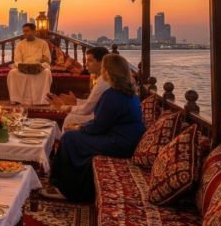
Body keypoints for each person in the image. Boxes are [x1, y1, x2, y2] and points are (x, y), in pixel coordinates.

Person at [43, 54, 145, 202]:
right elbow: (103, 122)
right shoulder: (129, 92)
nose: (102, 71)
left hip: (120, 142)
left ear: (108, 71)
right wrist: (82, 127)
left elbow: (99, 125)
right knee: (72, 135)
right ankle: (61, 181)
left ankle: (67, 189)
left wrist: (79, 128)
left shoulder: (113, 95)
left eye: (103, 68)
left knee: (70, 137)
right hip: (127, 138)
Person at [47, 46, 110, 127]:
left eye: (90, 61)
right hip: (99, 115)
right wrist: (76, 102)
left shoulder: (104, 82)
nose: (86, 64)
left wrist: (63, 107)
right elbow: (92, 103)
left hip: (101, 119)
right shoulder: (102, 79)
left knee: (71, 118)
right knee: (72, 117)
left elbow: (87, 109)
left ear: (102, 63)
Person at [7, 23, 52, 105]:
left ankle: (42, 100)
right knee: (12, 73)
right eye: (23, 31)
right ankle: (16, 99)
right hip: (24, 68)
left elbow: (47, 60)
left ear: (34, 31)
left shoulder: (43, 44)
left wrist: (41, 66)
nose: (24, 33)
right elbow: (17, 60)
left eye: (27, 31)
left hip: (38, 67)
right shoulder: (19, 45)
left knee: (46, 72)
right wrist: (23, 67)